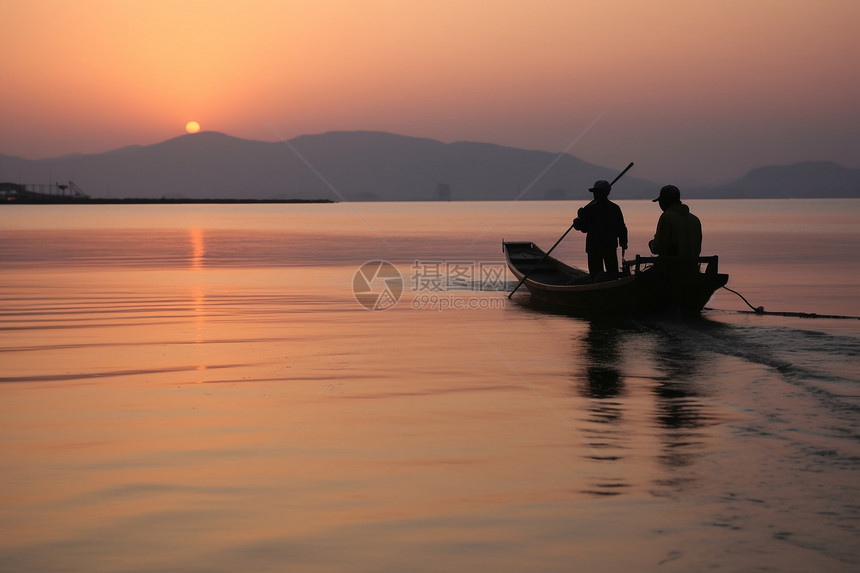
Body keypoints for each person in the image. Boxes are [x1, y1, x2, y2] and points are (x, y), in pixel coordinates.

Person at [573, 179, 628, 280]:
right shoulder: (613, 208)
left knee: (601, 274)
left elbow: (583, 228)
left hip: (599, 247)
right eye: (595, 192)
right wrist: (579, 219)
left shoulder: (590, 209)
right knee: (608, 274)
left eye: (597, 192)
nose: (596, 194)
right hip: (605, 246)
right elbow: (621, 228)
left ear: (606, 193)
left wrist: (578, 220)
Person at [648, 185, 702, 258]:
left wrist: (651, 244)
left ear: (665, 201)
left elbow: (658, 247)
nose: (660, 204)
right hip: (692, 267)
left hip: (672, 267)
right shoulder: (695, 220)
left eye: (660, 201)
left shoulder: (667, 217)